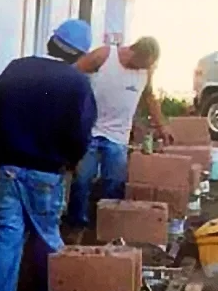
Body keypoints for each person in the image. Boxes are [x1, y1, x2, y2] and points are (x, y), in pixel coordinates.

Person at [0, 19, 97, 291]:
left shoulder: (19, 68)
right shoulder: (77, 83)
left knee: (6, 237)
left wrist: (14, 130)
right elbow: (81, 134)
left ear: (51, 42)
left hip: (9, 169)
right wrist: (71, 159)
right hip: (47, 173)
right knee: (46, 235)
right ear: (79, 54)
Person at [65, 37, 170, 230]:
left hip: (119, 137)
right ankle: (76, 225)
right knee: (82, 181)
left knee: (114, 183)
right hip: (91, 131)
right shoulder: (105, 56)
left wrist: (161, 126)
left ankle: (108, 226)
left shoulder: (145, 71)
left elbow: (149, 97)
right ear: (135, 52)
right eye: (143, 64)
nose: (143, 69)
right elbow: (71, 73)